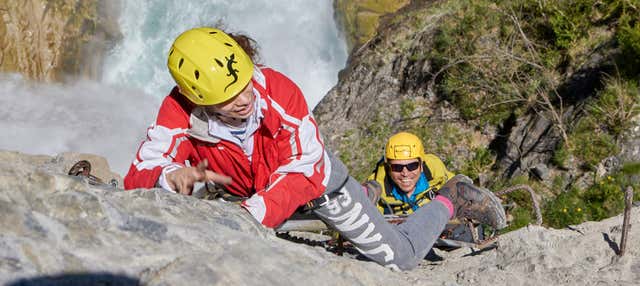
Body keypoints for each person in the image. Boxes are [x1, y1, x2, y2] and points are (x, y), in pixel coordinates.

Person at [124, 27, 506, 270]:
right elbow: (138, 174)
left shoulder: (280, 93)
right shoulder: (178, 111)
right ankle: (369, 192)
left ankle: (451, 198)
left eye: (244, 85)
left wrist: (247, 216)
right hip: (253, 195)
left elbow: (303, 172)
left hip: (318, 188)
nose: (243, 99)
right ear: (196, 98)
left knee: (401, 257)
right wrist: (166, 178)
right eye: (227, 98)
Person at [365, 132, 455, 215]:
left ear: (421, 165)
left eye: (412, 166)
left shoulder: (437, 174)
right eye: (397, 167)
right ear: (388, 168)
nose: (405, 173)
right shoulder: (374, 193)